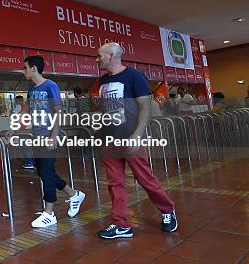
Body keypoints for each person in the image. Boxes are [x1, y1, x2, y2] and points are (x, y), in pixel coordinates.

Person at [96, 42, 177, 239]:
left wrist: (137, 135)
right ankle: (120, 224)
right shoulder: (102, 81)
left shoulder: (134, 76)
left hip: (132, 137)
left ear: (112, 56)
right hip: (110, 138)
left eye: (100, 55)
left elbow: (145, 107)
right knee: (115, 182)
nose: (97, 59)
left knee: (144, 178)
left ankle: (167, 210)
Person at [22, 55, 85, 228]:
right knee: (43, 172)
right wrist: (15, 128)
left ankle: (49, 213)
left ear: (34, 68)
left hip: (48, 137)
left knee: (47, 173)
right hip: (37, 138)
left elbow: (58, 112)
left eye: (25, 67)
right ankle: (74, 194)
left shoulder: (51, 86)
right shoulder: (31, 90)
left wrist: (54, 136)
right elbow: (27, 111)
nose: (23, 71)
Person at [11, 95, 35, 169]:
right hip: (30, 128)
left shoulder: (19, 106)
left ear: (17, 100)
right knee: (30, 147)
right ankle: (33, 162)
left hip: (23, 129)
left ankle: (29, 163)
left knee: (24, 147)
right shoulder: (28, 107)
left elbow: (14, 116)